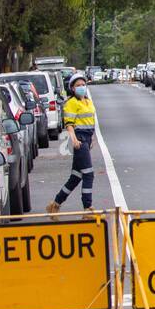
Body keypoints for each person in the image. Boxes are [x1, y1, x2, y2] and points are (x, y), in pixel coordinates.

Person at [48, 73, 96, 213]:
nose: (81, 87)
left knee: (76, 176)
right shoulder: (71, 103)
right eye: (78, 85)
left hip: (86, 138)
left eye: (83, 85)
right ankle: (87, 208)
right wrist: (74, 139)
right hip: (79, 139)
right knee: (88, 173)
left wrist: (91, 138)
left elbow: (90, 121)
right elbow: (69, 124)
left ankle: (55, 204)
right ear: (72, 88)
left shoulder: (87, 101)